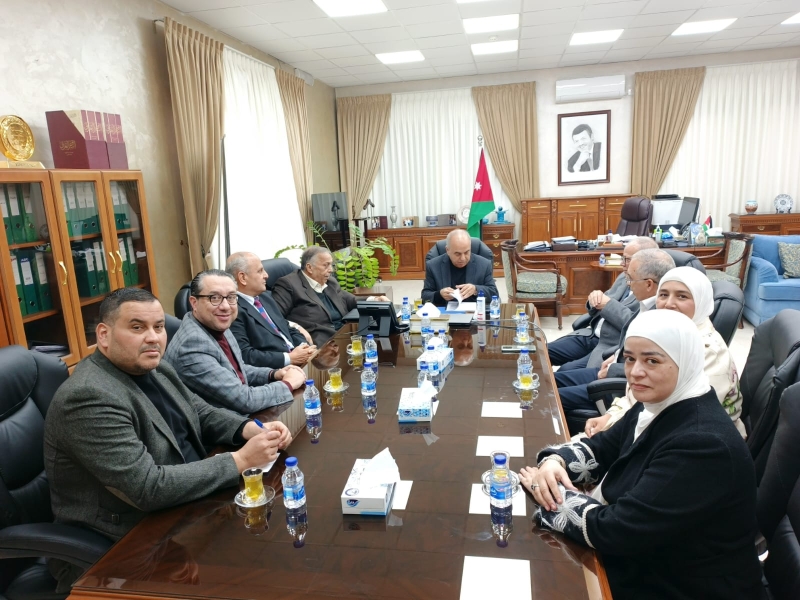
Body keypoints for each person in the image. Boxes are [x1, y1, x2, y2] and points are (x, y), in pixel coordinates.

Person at [44, 288, 292, 590]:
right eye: (137, 327)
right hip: (124, 544)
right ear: (104, 335)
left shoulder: (156, 366)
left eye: (159, 327)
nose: (153, 338)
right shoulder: (89, 396)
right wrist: (241, 459)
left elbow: (200, 412)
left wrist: (248, 428)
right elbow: (146, 487)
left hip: (186, 507)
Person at [519, 310, 763, 599]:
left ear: (686, 361)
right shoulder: (659, 403)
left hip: (680, 584)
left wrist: (549, 494)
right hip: (649, 555)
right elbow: (602, 448)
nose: (635, 372)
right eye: (630, 358)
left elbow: (616, 530)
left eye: (652, 361)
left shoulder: (703, 445)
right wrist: (554, 462)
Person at [584, 266, 745, 438]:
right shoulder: (668, 335)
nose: (668, 304)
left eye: (682, 296)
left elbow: (683, 417)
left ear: (701, 301)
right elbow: (639, 395)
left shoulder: (708, 351)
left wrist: (612, 427)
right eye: (663, 295)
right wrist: (610, 416)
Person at [164, 270, 306, 414]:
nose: (226, 306)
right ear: (194, 303)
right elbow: (245, 400)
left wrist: (273, 374)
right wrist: (288, 384)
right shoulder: (192, 345)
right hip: (226, 422)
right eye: (214, 298)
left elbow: (236, 370)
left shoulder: (216, 323)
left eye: (231, 297)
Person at [553, 249, 675, 415]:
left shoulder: (661, 314)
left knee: (552, 397)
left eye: (630, 279)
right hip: (612, 363)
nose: (628, 284)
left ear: (648, 284)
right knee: (551, 381)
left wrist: (613, 369)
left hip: (623, 385)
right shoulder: (646, 304)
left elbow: (652, 369)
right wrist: (616, 355)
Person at [547, 236, 658, 370]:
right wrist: (594, 299)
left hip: (610, 344)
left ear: (646, 262)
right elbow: (604, 300)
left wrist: (608, 305)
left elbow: (637, 324)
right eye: (622, 258)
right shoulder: (623, 276)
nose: (622, 264)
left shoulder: (653, 289)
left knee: (565, 371)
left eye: (627, 259)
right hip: (592, 335)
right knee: (542, 352)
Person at [271, 246, 389, 346]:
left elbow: (348, 299)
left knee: (386, 339)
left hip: (346, 334)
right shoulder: (288, 285)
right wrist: (297, 328)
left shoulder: (329, 281)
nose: (331, 270)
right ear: (309, 267)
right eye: (326, 265)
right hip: (322, 343)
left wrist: (374, 299)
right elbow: (274, 317)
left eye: (331, 265)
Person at [226, 251, 316, 369]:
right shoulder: (232, 309)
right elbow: (245, 355)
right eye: (260, 271)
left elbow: (287, 328)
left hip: (301, 361)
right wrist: (289, 358)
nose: (266, 275)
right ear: (242, 277)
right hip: (277, 371)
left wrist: (304, 347)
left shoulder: (266, 297)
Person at [421, 229, 498, 305]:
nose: (463, 258)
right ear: (447, 250)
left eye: (466, 252)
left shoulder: (484, 264)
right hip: (445, 311)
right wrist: (439, 294)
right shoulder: (433, 266)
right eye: (458, 254)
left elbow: (494, 293)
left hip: (473, 311)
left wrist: (476, 289)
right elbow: (425, 296)